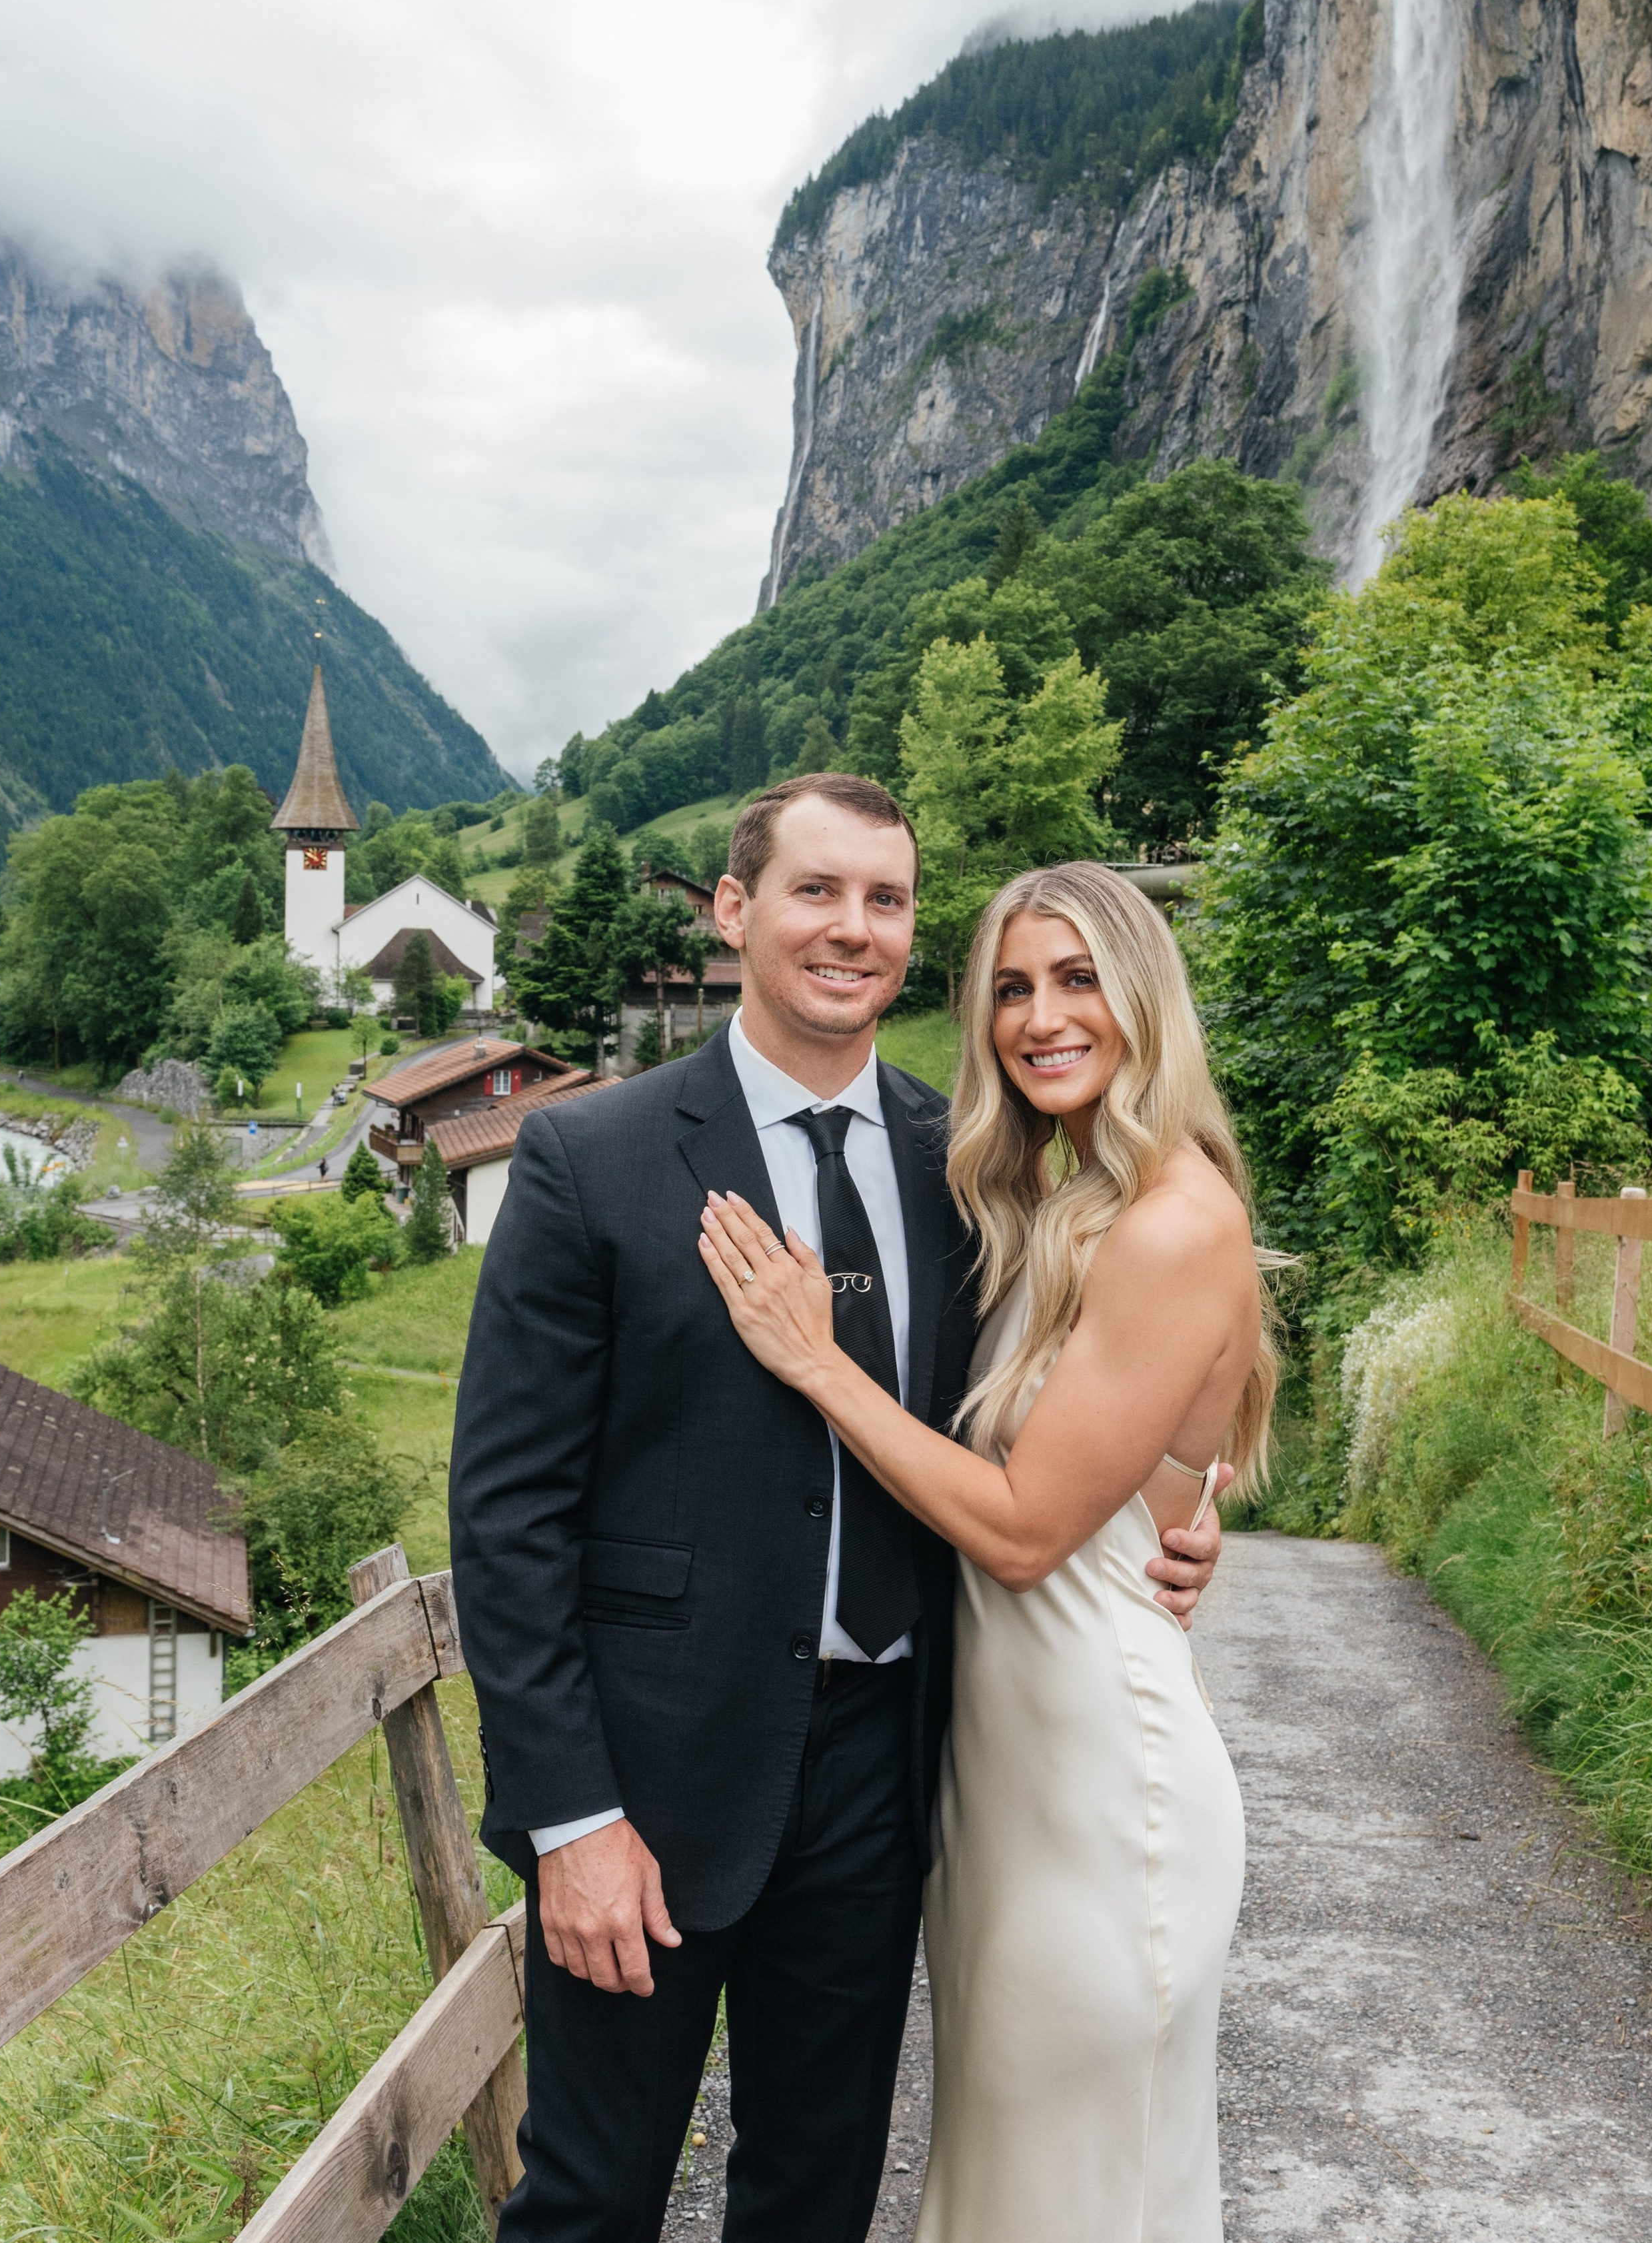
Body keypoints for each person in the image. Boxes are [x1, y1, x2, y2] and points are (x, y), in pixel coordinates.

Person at [449, 779, 1225, 2242]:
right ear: (734, 909)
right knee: (591, 2202)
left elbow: (1072, 1398)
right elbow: (506, 1519)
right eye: (816, 890)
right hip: (650, 1781)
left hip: (885, 1767)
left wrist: (1175, 1505)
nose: (851, 929)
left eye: (886, 899)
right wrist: (571, 1818)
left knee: (814, 2201)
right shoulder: (593, 1158)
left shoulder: (976, 1166)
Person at [699, 858, 1273, 2243]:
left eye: (1078, 980)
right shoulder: (1068, 1202)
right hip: (1006, 1791)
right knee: (1019, 2185)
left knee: (1081, 2194)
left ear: (1144, 994)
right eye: (1011, 988)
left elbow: (1020, 1531)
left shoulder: (1172, 1219)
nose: (1039, 1017)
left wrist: (817, 1364)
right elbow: (1133, 1458)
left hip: (1103, 1791)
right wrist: (1183, 1510)